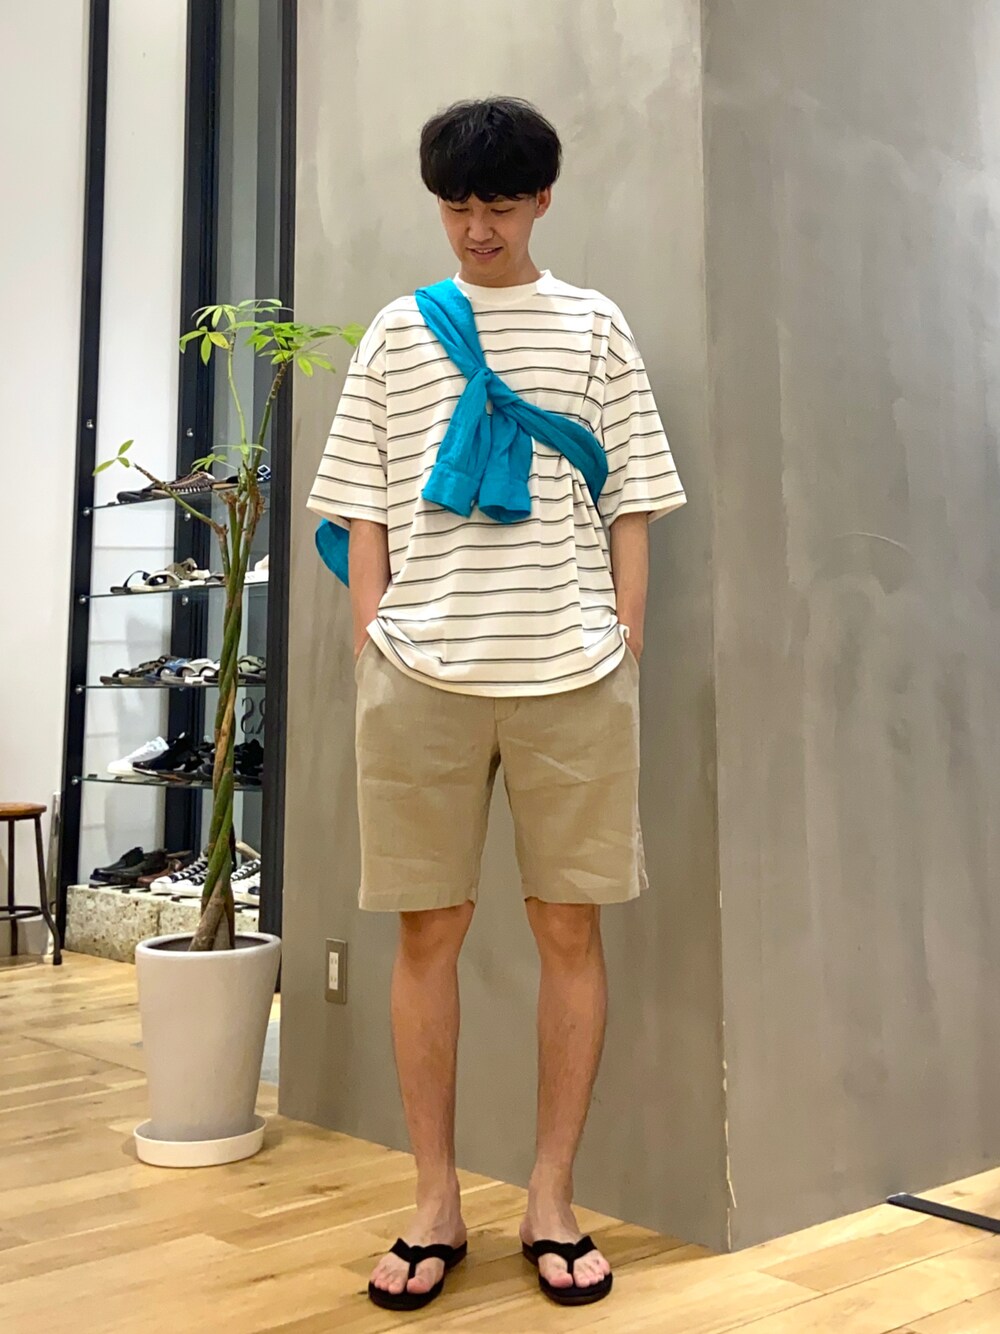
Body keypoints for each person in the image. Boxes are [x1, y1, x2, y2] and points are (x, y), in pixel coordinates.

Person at [308, 96, 685, 1313]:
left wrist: (624, 637)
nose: (478, 228)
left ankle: (551, 1196)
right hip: (418, 675)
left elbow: (632, 495)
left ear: (542, 202)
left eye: (501, 205)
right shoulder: (397, 331)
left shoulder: (594, 324)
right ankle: (433, 1201)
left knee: (571, 930)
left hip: (573, 673)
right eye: (459, 206)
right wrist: (373, 633)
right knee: (426, 933)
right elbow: (357, 496)